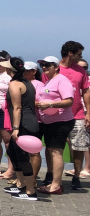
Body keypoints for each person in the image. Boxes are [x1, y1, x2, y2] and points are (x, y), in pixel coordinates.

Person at [35, 56, 75, 195]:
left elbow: (69, 101)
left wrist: (50, 104)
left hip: (61, 121)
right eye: (43, 65)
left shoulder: (62, 80)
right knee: (51, 151)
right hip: (49, 121)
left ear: (57, 67)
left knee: (56, 152)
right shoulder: (49, 81)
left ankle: (56, 185)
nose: (44, 67)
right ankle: (53, 182)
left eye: (48, 65)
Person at [4, 57, 40, 201]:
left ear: (10, 69)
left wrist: (16, 128)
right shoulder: (26, 82)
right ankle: (20, 184)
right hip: (26, 122)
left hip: (24, 124)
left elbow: (17, 108)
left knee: (23, 157)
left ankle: (31, 191)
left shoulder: (15, 84)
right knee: (12, 152)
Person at [55, 41, 90, 191]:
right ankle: (53, 176)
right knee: (55, 147)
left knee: (78, 147)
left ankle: (76, 176)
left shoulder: (81, 71)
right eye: (79, 54)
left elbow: (86, 92)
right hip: (56, 115)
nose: (80, 57)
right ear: (70, 53)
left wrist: (89, 112)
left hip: (77, 114)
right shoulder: (54, 69)